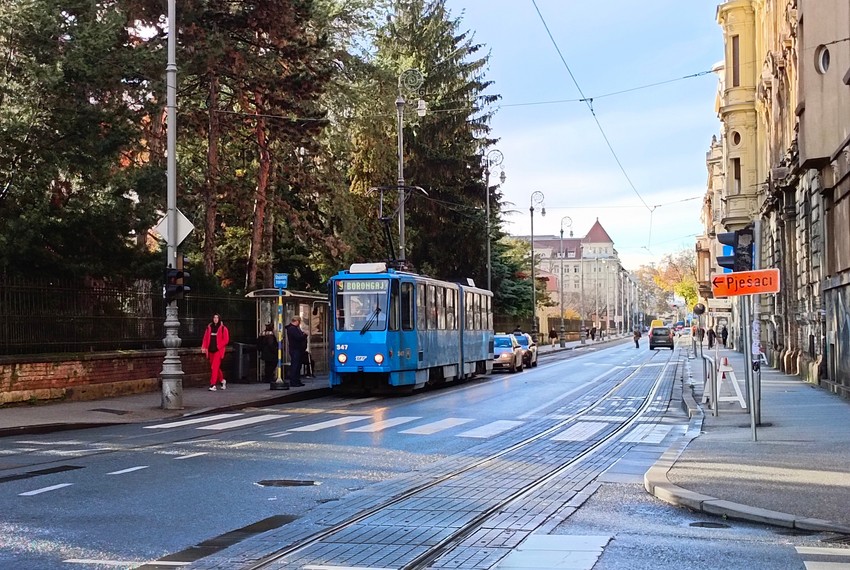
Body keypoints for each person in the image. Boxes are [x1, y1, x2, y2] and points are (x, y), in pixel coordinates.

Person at [201, 313, 230, 391]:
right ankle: (222, 380)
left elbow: (226, 340)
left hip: (218, 351)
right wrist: (204, 347)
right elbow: (205, 338)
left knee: (214, 367)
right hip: (210, 350)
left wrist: (218, 346)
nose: (215, 319)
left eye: (217, 318)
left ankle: (213, 384)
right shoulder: (209, 327)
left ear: (219, 319)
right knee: (215, 367)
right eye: (214, 317)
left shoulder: (223, 328)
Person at [285, 315, 308, 387]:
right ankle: (294, 381)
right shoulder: (292, 329)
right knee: (295, 365)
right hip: (295, 349)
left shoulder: (295, 328)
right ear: (297, 321)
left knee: (298, 366)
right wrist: (304, 335)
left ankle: (297, 380)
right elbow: (298, 338)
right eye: (299, 322)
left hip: (298, 349)